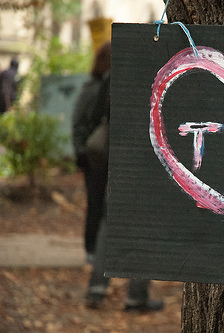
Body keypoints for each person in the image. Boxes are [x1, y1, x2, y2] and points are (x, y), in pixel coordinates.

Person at [72, 42, 164, 312]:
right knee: (145, 229)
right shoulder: (153, 77)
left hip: (118, 163)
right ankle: (136, 296)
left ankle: (97, 288)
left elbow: (95, 117)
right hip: (145, 164)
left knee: (109, 224)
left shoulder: (113, 79)